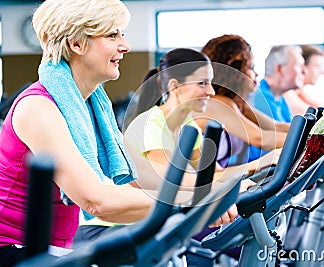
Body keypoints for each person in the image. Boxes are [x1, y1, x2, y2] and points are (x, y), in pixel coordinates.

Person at [0, 1, 232, 266]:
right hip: (14, 250)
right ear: (76, 43)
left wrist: (219, 188)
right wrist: (196, 199)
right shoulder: (38, 107)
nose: (125, 45)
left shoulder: (91, 107)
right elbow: (96, 201)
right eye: (113, 35)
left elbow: (141, 179)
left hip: (55, 249)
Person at [123, 47, 281, 267]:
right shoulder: (150, 124)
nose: (212, 92)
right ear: (174, 86)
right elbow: (172, 184)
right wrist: (230, 184)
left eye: (210, 83)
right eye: (202, 83)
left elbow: (213, 173)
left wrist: (261, 164)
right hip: (123, 229)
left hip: (159, 224)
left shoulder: (189, 128)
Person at [192, 34, 289, 167]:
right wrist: (310, 142)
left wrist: (315, 130)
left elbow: (275, 126)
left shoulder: (236, 104)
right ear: (235, 71)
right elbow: (259, 138)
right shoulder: (215, 103)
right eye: (251, 68)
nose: (256, 74)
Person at [283, 44, 324, 116]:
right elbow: (312, 117)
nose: (322, 72)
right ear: (302, 67)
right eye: (318, 66)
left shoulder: (302, 93)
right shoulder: (287, 93)